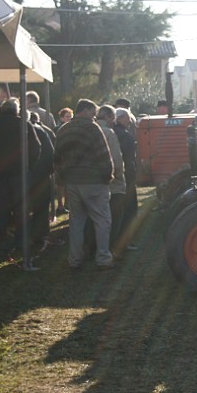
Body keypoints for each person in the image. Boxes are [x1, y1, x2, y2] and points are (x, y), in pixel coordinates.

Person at [53, 99, 114, 269]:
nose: (94, 118)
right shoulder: (92, 128)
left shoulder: (63, 130)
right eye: (93, 114)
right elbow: (104, 155)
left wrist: (63, 178)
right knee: (102, 220)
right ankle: (103, 258)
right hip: (93, 180)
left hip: (72, 181)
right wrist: (108, 177)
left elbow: (57, 158)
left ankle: (74, 259)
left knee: (76, 222)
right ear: (86, 111)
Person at [0, 98, 41, 261]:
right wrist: (29, 166)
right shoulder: (24, 124)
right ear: (17, 110)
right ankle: (21, 240)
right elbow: (36, 147)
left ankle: (1, 241)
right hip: (19, 173)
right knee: (21, 208)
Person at [84, 105, 125, 260]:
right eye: (113, 118)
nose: (114, 121)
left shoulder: (87, 130)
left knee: (90, 217)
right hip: (110, 182)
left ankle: (90, 247)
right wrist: (120, 177)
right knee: (111, 218)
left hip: (89, 179)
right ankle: (109, 248)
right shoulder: (108, 132)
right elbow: (116, 160)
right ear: (108, 117)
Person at [28, 112, 63, 253]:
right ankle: (39, 235)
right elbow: (50, 152)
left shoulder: (22, 129)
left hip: (21, 175)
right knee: (41, 207)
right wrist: (50, 171)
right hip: (40, 175)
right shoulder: (41, 131)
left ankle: (26, 235)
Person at [114, 107, 138, 254]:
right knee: (129, 210)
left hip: (113, 178)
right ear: (121, 118)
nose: (129, 121)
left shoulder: (111, 132)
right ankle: (124, 242)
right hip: (126, 178)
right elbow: (129, 159)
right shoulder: (126, 136)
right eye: (128, 118)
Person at [54, 107, 73, 215]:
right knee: (60, 183)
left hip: (69, 159)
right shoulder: (58, 129)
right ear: (62, 118)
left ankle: (67, 204)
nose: (69, 118)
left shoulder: (73, 128)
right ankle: (60, 204)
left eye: (70, 116)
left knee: (68, 183)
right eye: (67, 116)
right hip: (61, 159)